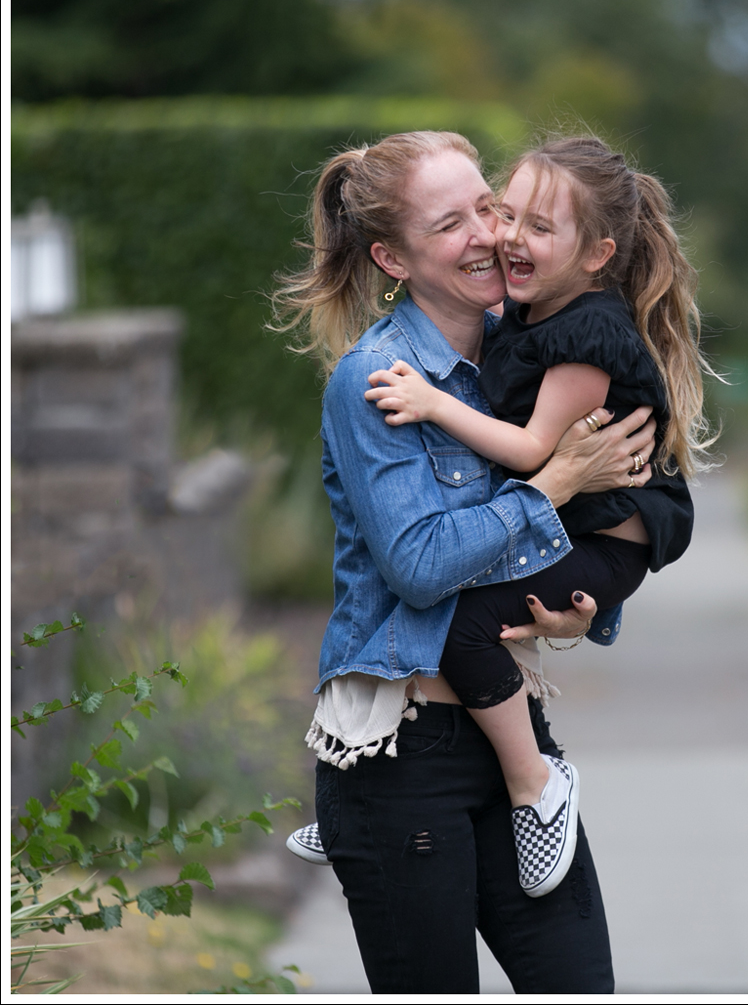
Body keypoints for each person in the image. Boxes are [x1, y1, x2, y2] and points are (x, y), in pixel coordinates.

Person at [271, 130, 657, 993]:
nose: (488, 234)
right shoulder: (377, 380)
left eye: (488, 206)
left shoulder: (535, 341)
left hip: (512, 733)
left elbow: (594, 519)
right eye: (450, 224)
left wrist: (584, 610)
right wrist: (552, 484)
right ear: (393, 258)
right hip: (403, 755)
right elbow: (418, 567)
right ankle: (351, 818)